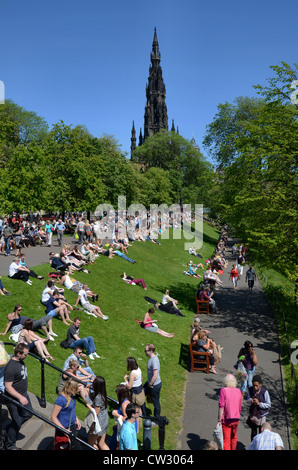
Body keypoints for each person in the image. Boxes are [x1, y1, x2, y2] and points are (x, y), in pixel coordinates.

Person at [4, 343, 33, 450]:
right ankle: (10, 446)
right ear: (18, 353)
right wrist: (20, 397)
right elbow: (8, 387)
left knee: (28, 414)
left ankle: (9, 429)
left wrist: (23, 396)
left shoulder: (20, 361)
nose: (27, 356)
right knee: (16, 422)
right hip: (13, 399)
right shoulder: (11, 367)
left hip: (23, 394)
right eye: (25, 354)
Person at [51, 378, 81, 450]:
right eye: (75, 389)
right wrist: (63, 429)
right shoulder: (61, 399)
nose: (77, 391)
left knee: (77, 446)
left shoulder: (70, 395)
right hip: (63, 429)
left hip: (71, 425)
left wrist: (77, 419)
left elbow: (71, 409)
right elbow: (53, 417)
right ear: (70, 388)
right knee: (63, 447)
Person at [217, 374, 243, 450]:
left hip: (226, 420)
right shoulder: (238, 391)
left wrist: (219, 419)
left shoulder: (223, 390)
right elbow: (240, 405)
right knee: (234, 437)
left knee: (226, 440)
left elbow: (221, 406)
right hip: (236, 419)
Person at [87, 376, 110, 450]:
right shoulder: (102, 393)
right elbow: (95, 402)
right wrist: (89, 392)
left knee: (90, 443)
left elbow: (95, 412)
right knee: (101, 443)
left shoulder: (98, 397)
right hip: (105, 421)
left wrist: (88, 405)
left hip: (99, 423)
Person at [246, 374, 271, 441]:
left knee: (261, 433)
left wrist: (259, 404)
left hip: (261, 415)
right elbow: (248, 400)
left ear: (260, 384)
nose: (255, 387)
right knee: (253, 432)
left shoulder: (264, 392)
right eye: (254, 385)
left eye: (257, 386)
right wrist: (251, 400)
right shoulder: (250, 390)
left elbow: (268, 404)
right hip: (254, 414)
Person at [145, 343, 162, 418]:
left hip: (154, 385)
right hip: (149, 382)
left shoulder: (154, 360)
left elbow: (155, 375)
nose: (145, 352)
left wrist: (150, 384)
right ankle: (142, 413)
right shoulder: (152, 358)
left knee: (156, 402)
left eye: (146, 351)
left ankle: (157, 418)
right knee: (140, 395)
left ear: (151, 350)